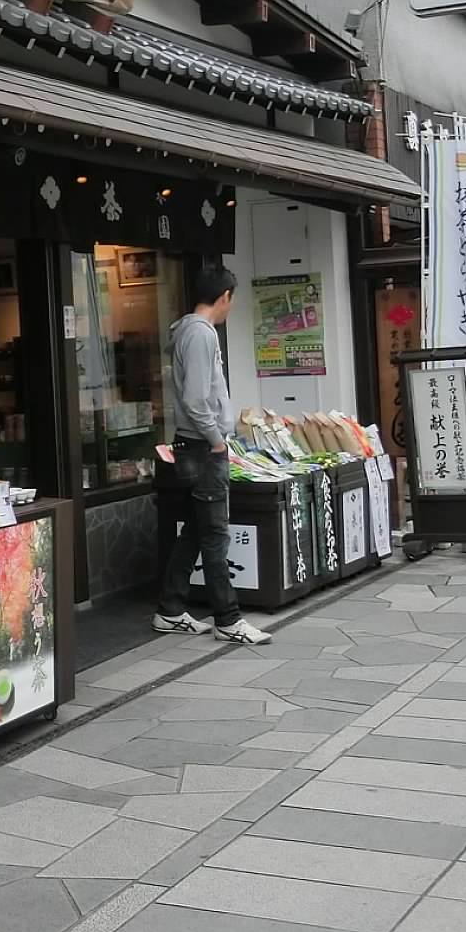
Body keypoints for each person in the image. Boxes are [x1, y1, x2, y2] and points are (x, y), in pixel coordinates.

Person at [155, 265, 270, 646]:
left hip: (193, 445)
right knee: (216, 535)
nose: (231, 306)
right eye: (232, 299)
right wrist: (216, 440)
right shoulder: (201, 334)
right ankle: (228, 618)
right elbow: (196, 398)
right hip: (204, 449)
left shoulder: (185, 330)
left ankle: (170, 609)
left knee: (193, 530)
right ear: (225, 297)